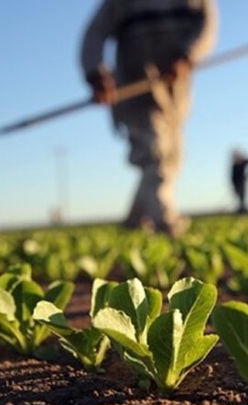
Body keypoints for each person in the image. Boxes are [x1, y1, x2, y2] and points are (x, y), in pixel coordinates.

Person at [81, 0, 218, 237]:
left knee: (172, 158)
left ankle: (134, 222)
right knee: (155, 153)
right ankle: (165, 221)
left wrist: (187, 55)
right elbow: (94, 35)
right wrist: (96, 73)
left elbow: (206, 25)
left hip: (174, 91)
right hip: (135, 88)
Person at [230, 149, 248, 214]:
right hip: (236, 184)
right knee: (240, 198)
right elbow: (233, 177)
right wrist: (234, 186)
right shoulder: (234, 165)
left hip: (242, 183)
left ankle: (243, 211)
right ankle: (241, 210)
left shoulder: (243, 162)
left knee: (243, 197)